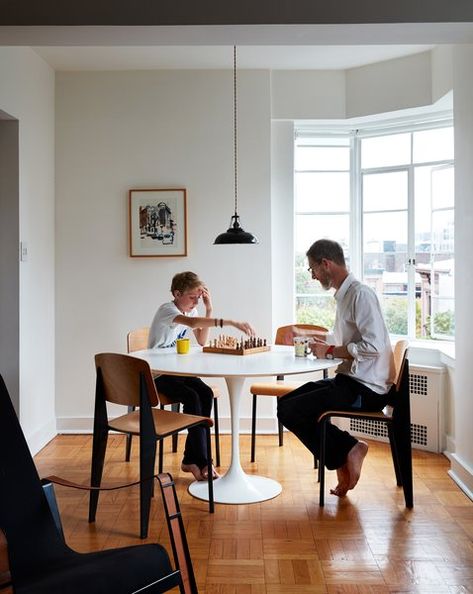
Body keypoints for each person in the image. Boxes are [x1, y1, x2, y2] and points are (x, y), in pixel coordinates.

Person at [277, 239, 395, 497]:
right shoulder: (346, 296)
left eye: (312, 269)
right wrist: (319, 342)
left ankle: (349, 450)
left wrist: (330, 351)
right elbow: (348, 340)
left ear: (325, 264)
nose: (313, 275)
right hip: (351, 381)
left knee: (292, 410)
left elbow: (372, 346)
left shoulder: (360, 294)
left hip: (367, 390)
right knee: (285, 405)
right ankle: (344, 453)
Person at [148, 271, 255, 481]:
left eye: (198, 298)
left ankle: (191, 460)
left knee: (204, 393)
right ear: (177, 293)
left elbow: (202, 341)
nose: (195, 301)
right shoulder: (167, 310)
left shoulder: (192, 310)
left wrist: (209, 308)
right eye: (192, 297)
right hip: (159, 375)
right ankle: (203, 462)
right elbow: (195, 325)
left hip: (176, 371)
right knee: (192, 398)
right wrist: (232, 322)